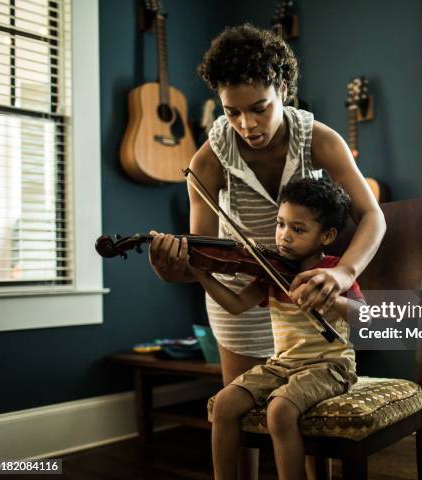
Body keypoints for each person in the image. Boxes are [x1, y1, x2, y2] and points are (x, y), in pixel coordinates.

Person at [149, 24, 386, 479]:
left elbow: (373, 216)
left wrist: (342, 273)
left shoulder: (318, 138)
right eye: (232, 112)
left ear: (283, 88)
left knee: (303, 422)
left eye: (259, 108)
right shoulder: (206, 160)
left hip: (308, 286)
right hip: (243, 292)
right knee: (239, 422)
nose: (247, 124)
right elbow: (202, 256)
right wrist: (172, 268)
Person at [191, 178, 365, 480]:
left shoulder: (334, 271)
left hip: (330, 366)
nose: (284, 236)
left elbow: (366, 317)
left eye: (297, 229)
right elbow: (235, 304)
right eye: (280, 224)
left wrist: (329, 297)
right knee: (224, 404)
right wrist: (201, 274)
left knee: (280, 411)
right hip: (281, 364)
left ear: (327, 235)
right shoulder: (272, 271)